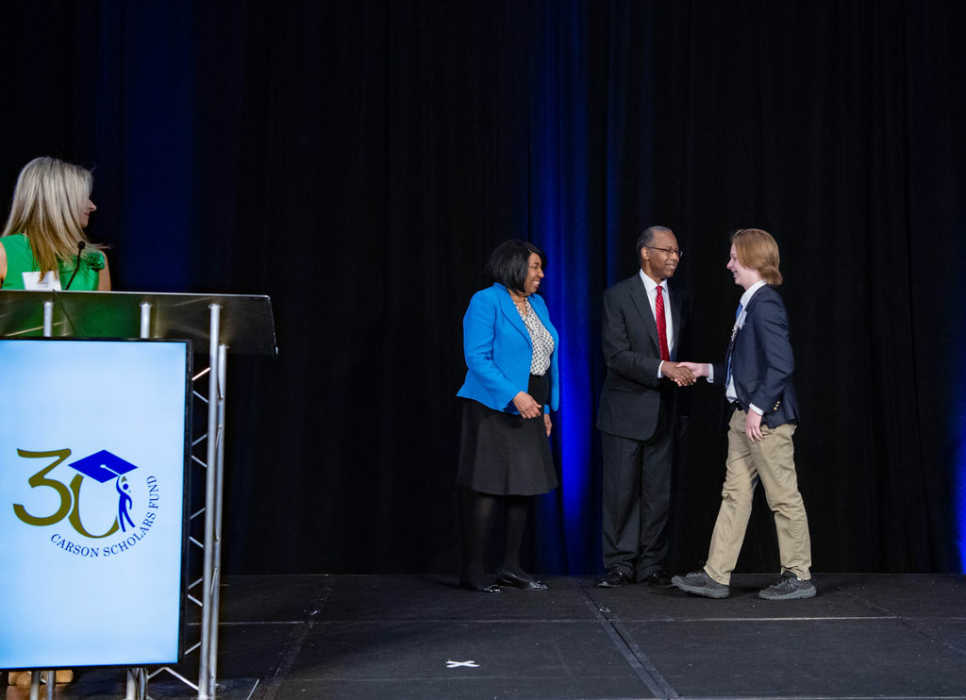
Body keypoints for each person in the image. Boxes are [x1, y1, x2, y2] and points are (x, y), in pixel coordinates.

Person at [672, 228, 815, 600]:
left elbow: (782, 365)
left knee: (783, 497)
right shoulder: (750, 304)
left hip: (765, 421)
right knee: (734, 495)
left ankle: (799, 576)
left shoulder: (765, 304)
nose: (729, 265)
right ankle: (715, 575)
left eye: (734, 257)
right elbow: (748, 370)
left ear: (751, 259)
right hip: (744, 419)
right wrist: (707, 370)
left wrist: (757, 409)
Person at [456, 239, 559, 593]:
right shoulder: (486, 301)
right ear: (514, 266)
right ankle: (473, 569)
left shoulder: (538, 304)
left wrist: (545, 408)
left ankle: (511, 566)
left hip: (533, 402)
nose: (541, 274)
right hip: (494, 405)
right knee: (489, 485)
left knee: (524, 484)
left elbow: (544, 360)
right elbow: (477, 357)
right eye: (535, 267)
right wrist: (515, 395)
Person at [596, 226, 694, 589]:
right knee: (621, 494)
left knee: (658, 495)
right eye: (667, 250)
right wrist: (660, 367)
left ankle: (652, 565)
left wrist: (683, 409)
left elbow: (685, 354)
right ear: (645, 252)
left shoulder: (681, 298)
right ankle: (620, 565)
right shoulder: (618, 296)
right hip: (624, 411)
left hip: (666, 412)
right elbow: (616, 354)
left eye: (677, 252)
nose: (674, 257)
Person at [0, 156, 110, 291]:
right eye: (83, 197)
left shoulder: (96, 260)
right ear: (56, 202)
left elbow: (103, 306)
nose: (93, 207)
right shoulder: (4, 252)